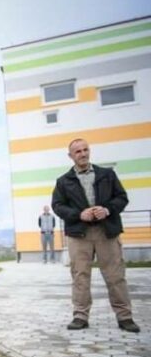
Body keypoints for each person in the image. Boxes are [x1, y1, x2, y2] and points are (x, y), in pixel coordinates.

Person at [51, 138, 139, 333]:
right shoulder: (63, 181)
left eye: (85, 150)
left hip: (106, 231)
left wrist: (107, 210)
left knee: (115, 274)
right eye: (78, 151)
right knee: (80, 275)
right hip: (78, 234)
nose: (83, 154)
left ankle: (125, 317)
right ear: (70, 156)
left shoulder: (107, 174)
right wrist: (78, 214)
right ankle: (80, 316)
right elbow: (57, 206)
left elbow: (122, 197)